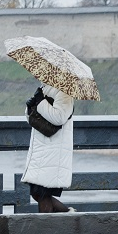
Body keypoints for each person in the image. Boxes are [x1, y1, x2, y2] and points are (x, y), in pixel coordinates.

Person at [21, 82, 76, 213]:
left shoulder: (65, 92)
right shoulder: (45, 88)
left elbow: (59, 117)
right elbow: (36, 120)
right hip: (41, 148)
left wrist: (40, 101)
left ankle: (45, 229)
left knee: (42, 193)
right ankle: (67, 216)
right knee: (37, 193)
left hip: (54, 150)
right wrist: (30, 109)